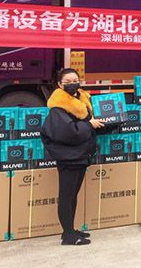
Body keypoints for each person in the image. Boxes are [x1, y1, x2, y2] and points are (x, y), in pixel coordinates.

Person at [41, 68, 104, 245]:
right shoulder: (58, 108)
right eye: (67, 82)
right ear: (59, 84)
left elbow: (87, 124)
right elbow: (68, 133)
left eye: (75, 80)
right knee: (66, 196)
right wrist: (89, 125)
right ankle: (68, 236)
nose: (72, 84)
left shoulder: (81, 101)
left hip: (80, 156)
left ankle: (70, 230)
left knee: (73, 195)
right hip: (68, 158)